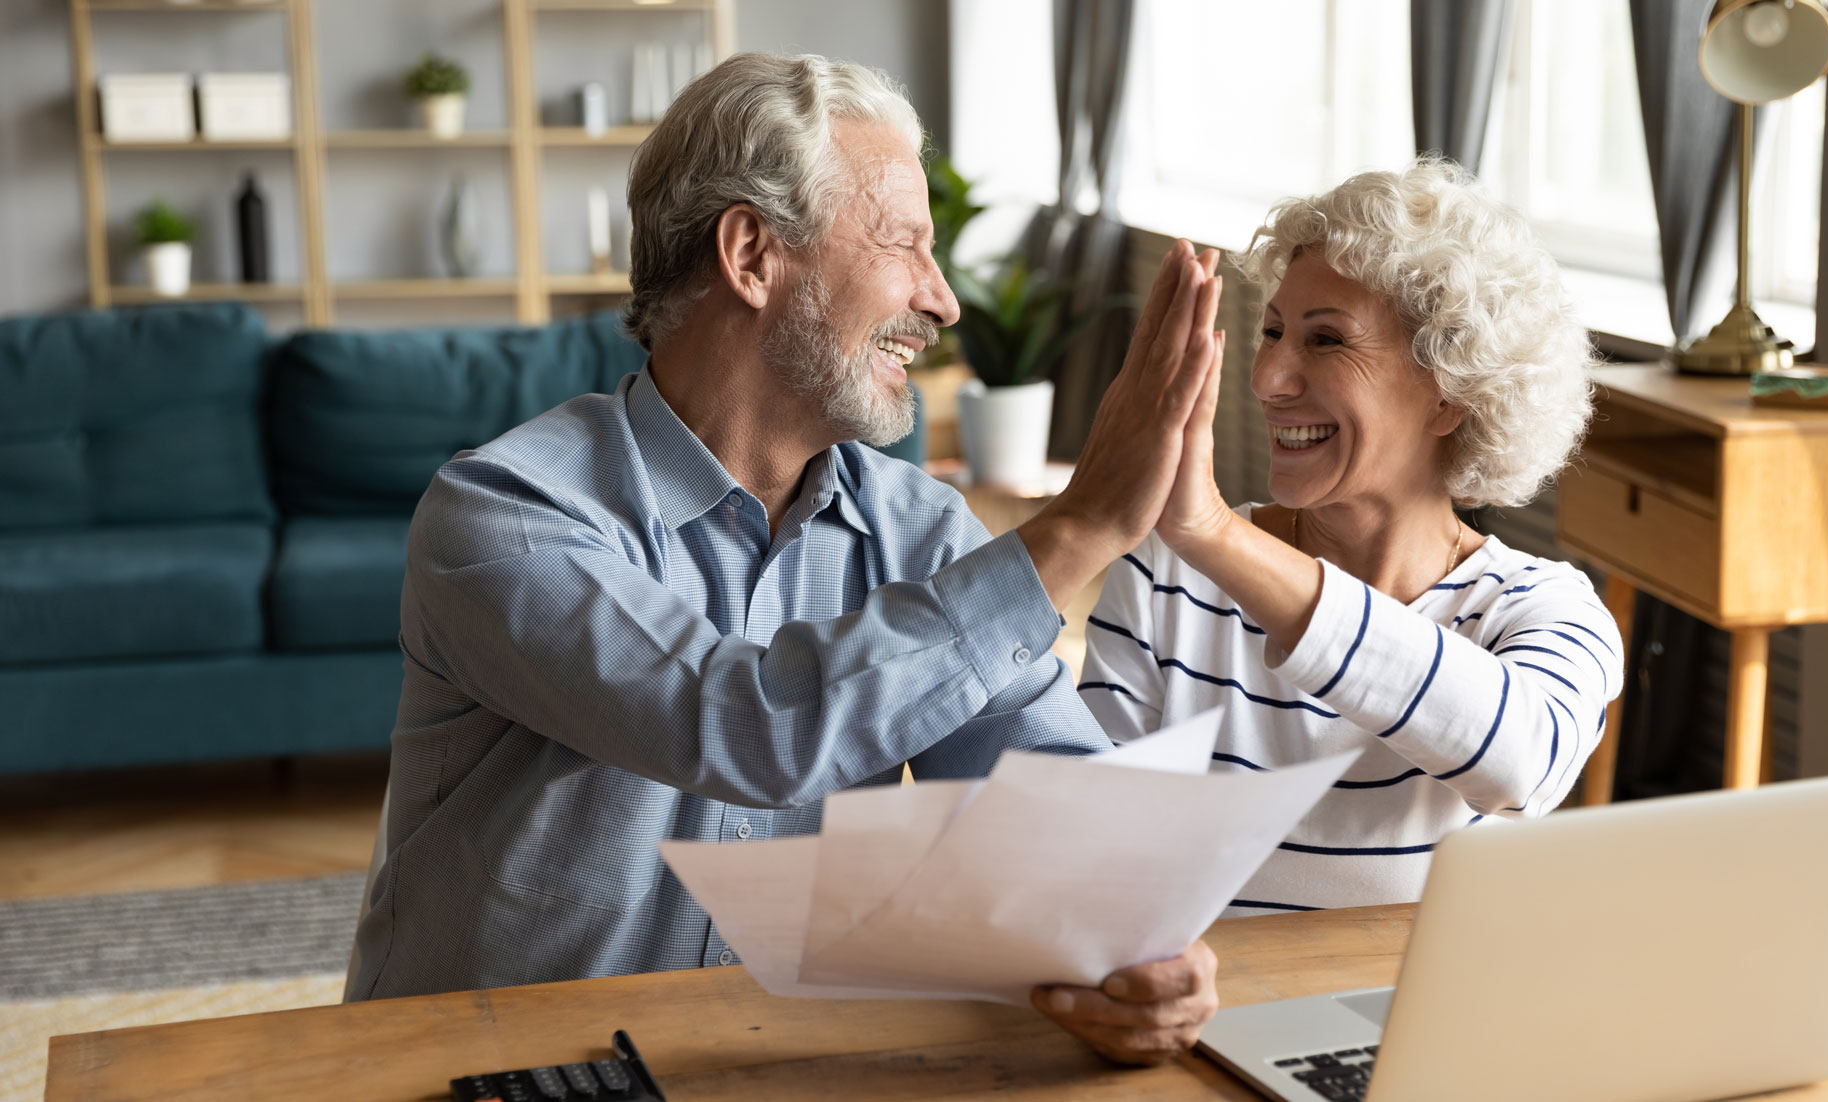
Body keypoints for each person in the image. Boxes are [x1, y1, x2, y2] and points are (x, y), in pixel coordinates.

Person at [346, 52, 1225, 1065]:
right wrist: (1075, 529)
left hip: (757, 1066)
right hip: (485, 1074)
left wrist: (1132, 940)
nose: (940, 303)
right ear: (751, 254)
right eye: (905, 244)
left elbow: (1045, 796)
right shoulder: (504, 514)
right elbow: (742, 724)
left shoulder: (920, 531)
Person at [1079, 159, 1622, 915]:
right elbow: (1090, 848)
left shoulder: (1541, 609)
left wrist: (1215, 535)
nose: (1269, 377)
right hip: (1204, 1014)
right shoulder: (1170, 572)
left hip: (1425, 1022)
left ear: (1451, 394)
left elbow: (1521, 764)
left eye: (1326, 341)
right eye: (1271, 332)